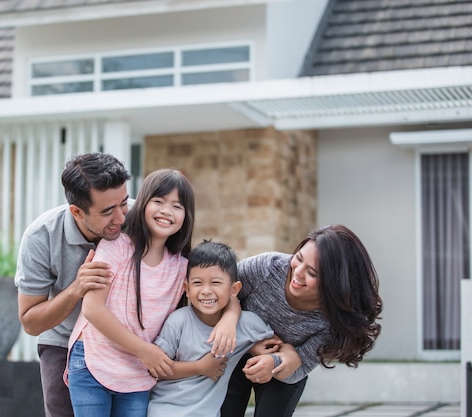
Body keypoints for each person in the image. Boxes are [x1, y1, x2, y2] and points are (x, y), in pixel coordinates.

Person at [65, 169, 240, 417]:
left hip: (138, 372)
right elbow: (92, 309)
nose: (166, 211)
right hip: (94, 360)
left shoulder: (181, 267)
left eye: (177, 206)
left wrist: (231, 317)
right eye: (158, 201)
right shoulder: (115, 247)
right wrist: (145, 351)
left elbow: (224, 289)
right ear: (143, 203)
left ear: (186, 216)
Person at [221, 224, 383, 417]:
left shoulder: (332, 321)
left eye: (312, 273)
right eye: (298, 258)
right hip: (234, 348)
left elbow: (297, 367)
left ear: (335, 283)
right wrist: (251, 343)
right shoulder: (266, 267)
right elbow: (220, 296)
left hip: (283, 372)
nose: (297, 272)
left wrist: (275, 361)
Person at [15, 152, 131, 417]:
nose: (121, 218)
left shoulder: (139, 218)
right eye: (107, 212)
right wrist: (77, 288)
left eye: (123, 203)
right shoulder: (40, 238)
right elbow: (30, 322)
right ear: (77, 212)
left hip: (126, 341)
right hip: (64, 342)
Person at [147, 240, 292, 417]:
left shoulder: (247, 324)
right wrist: (200, 367)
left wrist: (269, 356)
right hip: (164, 409)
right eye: (198, 283)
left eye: (215, 282)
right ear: (186, 288)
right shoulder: (178, 321)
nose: (206, 291)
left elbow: (281, 346)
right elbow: (157, 369)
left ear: (234, 289)